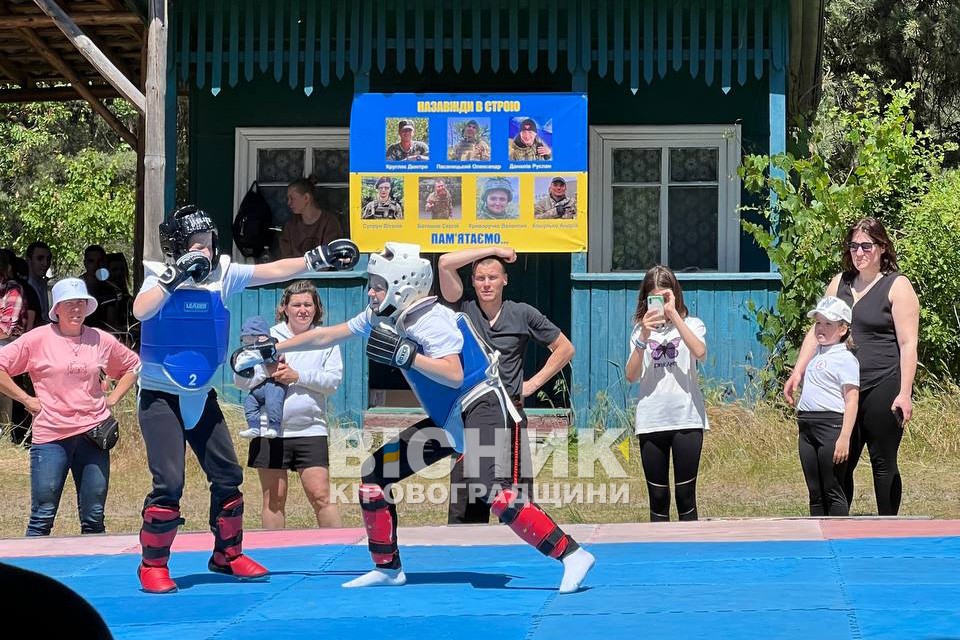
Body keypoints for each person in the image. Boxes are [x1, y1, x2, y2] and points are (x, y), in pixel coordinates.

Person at [232, 243, 595, 593]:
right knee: (376, 473)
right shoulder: (384, 317)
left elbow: (453, 374)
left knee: (493, 492)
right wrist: (272, 347)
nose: (371, 292)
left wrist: (407, 356)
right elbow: (329, 334)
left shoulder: (431, 319)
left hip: (482, 405)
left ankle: (572, 554)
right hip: (448, 416)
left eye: (378, 285)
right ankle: (387, 568)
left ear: (402, 285)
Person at [132, 204, 358, 593]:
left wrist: (314, 259)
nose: (203, 250)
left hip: (201, 395)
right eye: (194, 243)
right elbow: (141, 310)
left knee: (228, 475)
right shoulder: (157, 276)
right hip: (160, 396)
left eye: (207, 242)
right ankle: (152, 564)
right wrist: (174, 277)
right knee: (169, 481)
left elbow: (272, 271)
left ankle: (227, 554)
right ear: (177, 246)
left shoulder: (223, 275)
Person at [784, 217, 919, 516]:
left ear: (882, 248)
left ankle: (888, 528)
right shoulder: (840, 283)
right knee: (839, 462)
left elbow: (909, 344)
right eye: (854, 246)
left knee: (883, 463)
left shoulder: (897, 286)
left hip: (882, 384)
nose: (860, 252)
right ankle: (839, 529)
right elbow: (816, 329)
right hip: (842, 390)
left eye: (867, 246)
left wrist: (905, 392)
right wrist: (798, 370)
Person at [438, 247, 575, 524]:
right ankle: (468, 563)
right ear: (473, 282)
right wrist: (494, 250)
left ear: (505, 280)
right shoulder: (462, 311)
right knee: (467, 510)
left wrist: (532, 384)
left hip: (509, 417)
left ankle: (524, 561)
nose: (486, 283)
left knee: (517, 504)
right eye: (479, 278)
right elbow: (444, 263)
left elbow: (564, 348)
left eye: (492, 277)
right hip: (472, 418)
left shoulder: (521, 313)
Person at [0, 278, 140, 536]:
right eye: (69, 304)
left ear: (87, 307)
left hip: (94, 435)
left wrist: (113, 398)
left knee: (94, 516)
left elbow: (133, 366)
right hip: (51, 436)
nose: (76, 309)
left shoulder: (99, 339)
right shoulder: (38, 338)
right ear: (57, 309)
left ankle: (94, 574)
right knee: (42, 515)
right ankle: (31, 572)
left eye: (80, 303)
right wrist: (26, 399)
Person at [233, 280, 344, 529]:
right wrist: (267, 370)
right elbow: (240, 378)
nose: (302, 310)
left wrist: (298, 377)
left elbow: (333, 382)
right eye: (296, 304)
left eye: (308, 304)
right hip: (268, 431)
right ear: (284, 307)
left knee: (321, 496)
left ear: (317, 309)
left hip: (310, 429)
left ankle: (341, 552)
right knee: (274, 499)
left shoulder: (326, 339)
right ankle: (275, 557)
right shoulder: (266, 337)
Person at [624, 266, 708, 522]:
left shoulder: (693, 324)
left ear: (675, 295)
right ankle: (657, 555)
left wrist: (675, 315)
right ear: (646, 299)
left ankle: (689, 554)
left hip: (686, 418)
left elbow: (700, 352)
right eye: (654, 298)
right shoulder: (640, 332)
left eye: (665, 297)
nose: (660, 304)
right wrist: (644, 336)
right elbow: (631, 375)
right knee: (658, 498)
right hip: (652, 420)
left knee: (686, 495)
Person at [795, 296, 859, 517]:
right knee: (815, 491)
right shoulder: (815, 354)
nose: (821, 329)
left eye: (828, 324)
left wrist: (844, 437)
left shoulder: (846, 359)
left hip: (830, 427)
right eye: (818, 323)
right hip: (807, 428)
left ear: (842, 329)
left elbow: (852, 400)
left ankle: (839, 541)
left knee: (832, 488)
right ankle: (819, 540)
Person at [237, 315, 285, 440]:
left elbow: (278, 358)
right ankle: (253, 426)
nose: (248, 343)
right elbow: (239, 377)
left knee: (273, 403)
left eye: (250, 338)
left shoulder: (272, 346)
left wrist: (270, 352)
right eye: (245, 339)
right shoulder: (244, 354)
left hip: (273, 385)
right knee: (249, 402)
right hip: (256, 389)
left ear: (262, 337)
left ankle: (274, 426)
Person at [279, 177, 344, 259]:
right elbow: (286, 258)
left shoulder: (329, 222)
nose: (289, 203)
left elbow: (330, 257)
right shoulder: (290, 226)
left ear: (306, 198)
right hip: (296, 271)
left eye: (292, 198)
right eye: (288, 199)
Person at [25, 241, 52, 326]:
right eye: (40, 258)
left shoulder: (46, 284)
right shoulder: (22, 287)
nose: (46, 263)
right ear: (29, 260)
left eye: (48, 259)